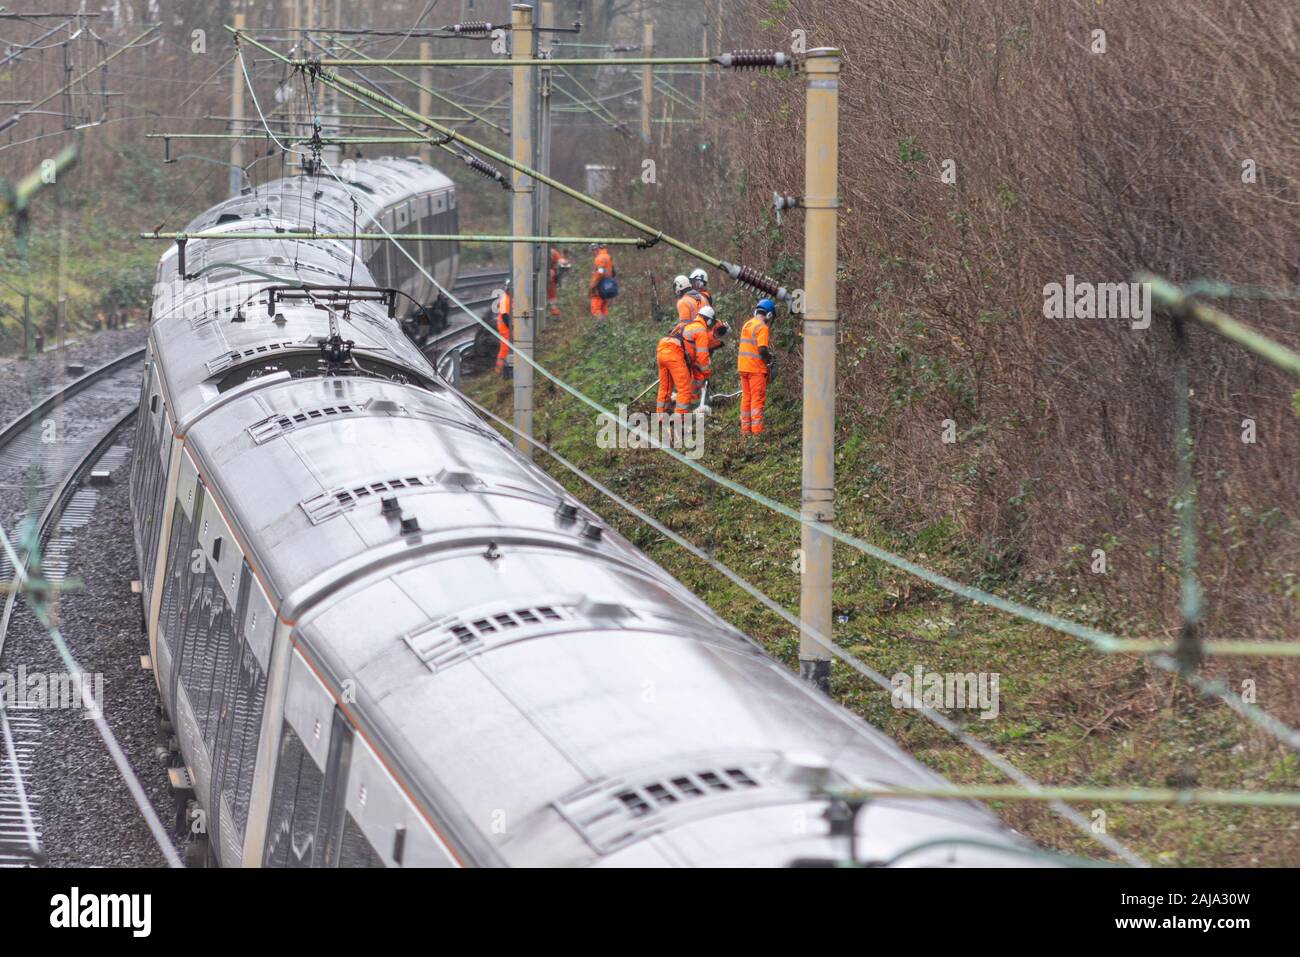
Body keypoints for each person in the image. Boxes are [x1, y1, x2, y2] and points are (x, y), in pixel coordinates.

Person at [737, 298, 775, 434]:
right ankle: (757, 432)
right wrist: (770, 359)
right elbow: (762, 349)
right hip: (755, 369)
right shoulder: (762, 327)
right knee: (757, 400)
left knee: (746, 398)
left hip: (743, 367)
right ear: (769, 315)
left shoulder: (747, 324)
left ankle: (745, 430)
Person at [682, 304, 723, 403]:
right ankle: (685, 408)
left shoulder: (693, 325)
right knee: (685, 386)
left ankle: (691, 402)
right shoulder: (701, 330)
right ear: (709, 320)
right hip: (683, 359)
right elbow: (702, 356)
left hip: (684, 357)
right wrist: (706, 373)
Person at [589, 242, 614, 318]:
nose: (593, 252)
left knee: (595, 308)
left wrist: (593, 285)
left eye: (593, 250)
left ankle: (601, 326)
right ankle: (605, 326)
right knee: (603, 308)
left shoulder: (599, 258)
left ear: (596, 248)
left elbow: (600, 272)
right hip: (606, 285)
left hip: (599, 286)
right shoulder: (607, 256)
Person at [494, 280, 512, 374]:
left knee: (505, 347)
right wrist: (511, 327)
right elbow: (505, 316)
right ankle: (499, 369)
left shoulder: (508, 298)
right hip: (505, 327)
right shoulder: (505, 299)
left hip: (506, 326)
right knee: (504, 348)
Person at [548, 247, 571, 318]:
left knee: (551, 275)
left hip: (548, 278)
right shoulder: (552, 252)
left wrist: (565, 261)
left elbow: (561, 261)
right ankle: (552, 308)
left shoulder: (552, 252)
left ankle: (553, 308)